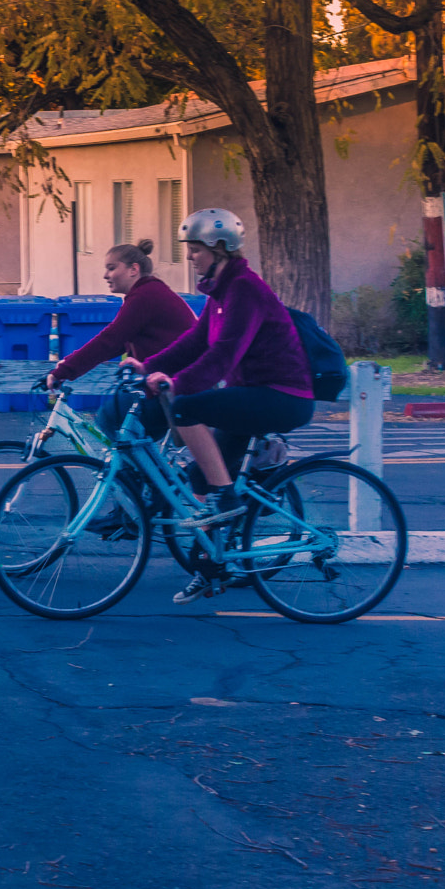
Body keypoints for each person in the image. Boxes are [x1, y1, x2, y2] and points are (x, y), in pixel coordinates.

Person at [120, 208, 315, 602]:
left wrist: (176, 384)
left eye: (195, 249)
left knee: (187, 408)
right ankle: (210, 567)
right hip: (257, 393)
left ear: (219, 248)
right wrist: (150, 366)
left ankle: (227, 496)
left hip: (282, 396)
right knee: (199, 478)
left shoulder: (245, 289)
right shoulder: (221, 291)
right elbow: (196, 342)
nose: (190, 256)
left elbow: (225, 354)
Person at [42, 239, 197, 392]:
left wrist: (64, 370)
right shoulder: (148, 291)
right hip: (168, 380)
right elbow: (117, 343)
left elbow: (110, 340)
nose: (105, 275)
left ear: (133, 270)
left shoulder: (145, 296)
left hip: (175, 383)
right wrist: (68, 366)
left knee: (111, 413)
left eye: (111, 268)